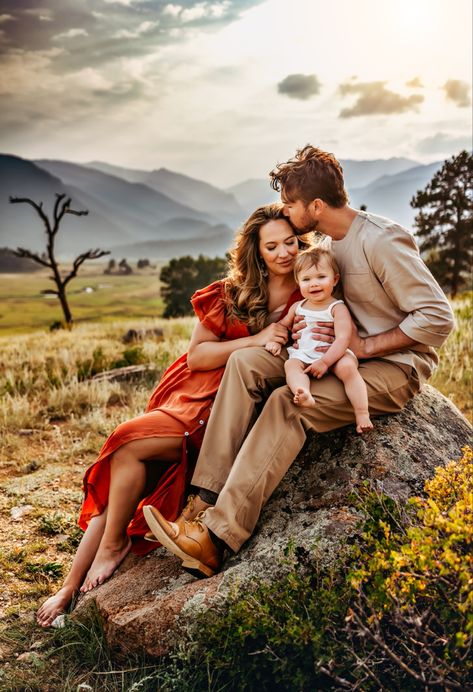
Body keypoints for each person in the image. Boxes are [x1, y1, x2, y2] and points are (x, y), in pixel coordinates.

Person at [143, 145, 455, 579]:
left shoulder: (382, 240)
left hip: (392, 369)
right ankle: (201, 499)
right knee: (246, 363)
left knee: (289, 403)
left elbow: (439, 317)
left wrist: (366, 347)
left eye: (290, 203)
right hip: (329, 354)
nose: (286, 211)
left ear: (315, 206)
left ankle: (215, 538)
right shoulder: (327, 246)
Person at [36, 203, 310, 626]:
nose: (284, 253)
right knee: (127, 460)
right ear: (256, 251)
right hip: (191, 396)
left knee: (131, 454)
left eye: (290, 242)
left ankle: (107, 554)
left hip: (225, 413)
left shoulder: (309, 288)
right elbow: (199, 356)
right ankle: (73, 583)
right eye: (271, 245)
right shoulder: (229, 292)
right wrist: (255, 339)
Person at [265, 244, 373, 433]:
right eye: (306, 279)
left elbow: (342, 338)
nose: (313, 283)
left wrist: (325, 361)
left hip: (333, 354)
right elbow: (282, 326)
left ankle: (362, 413)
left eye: (321, 277)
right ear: (298, 282)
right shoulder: (298, 307)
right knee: (291, 366)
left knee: (348, 368)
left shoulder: (337, 308)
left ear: (335, 279)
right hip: (305, 353)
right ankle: (304, 393)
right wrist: (276, 341)